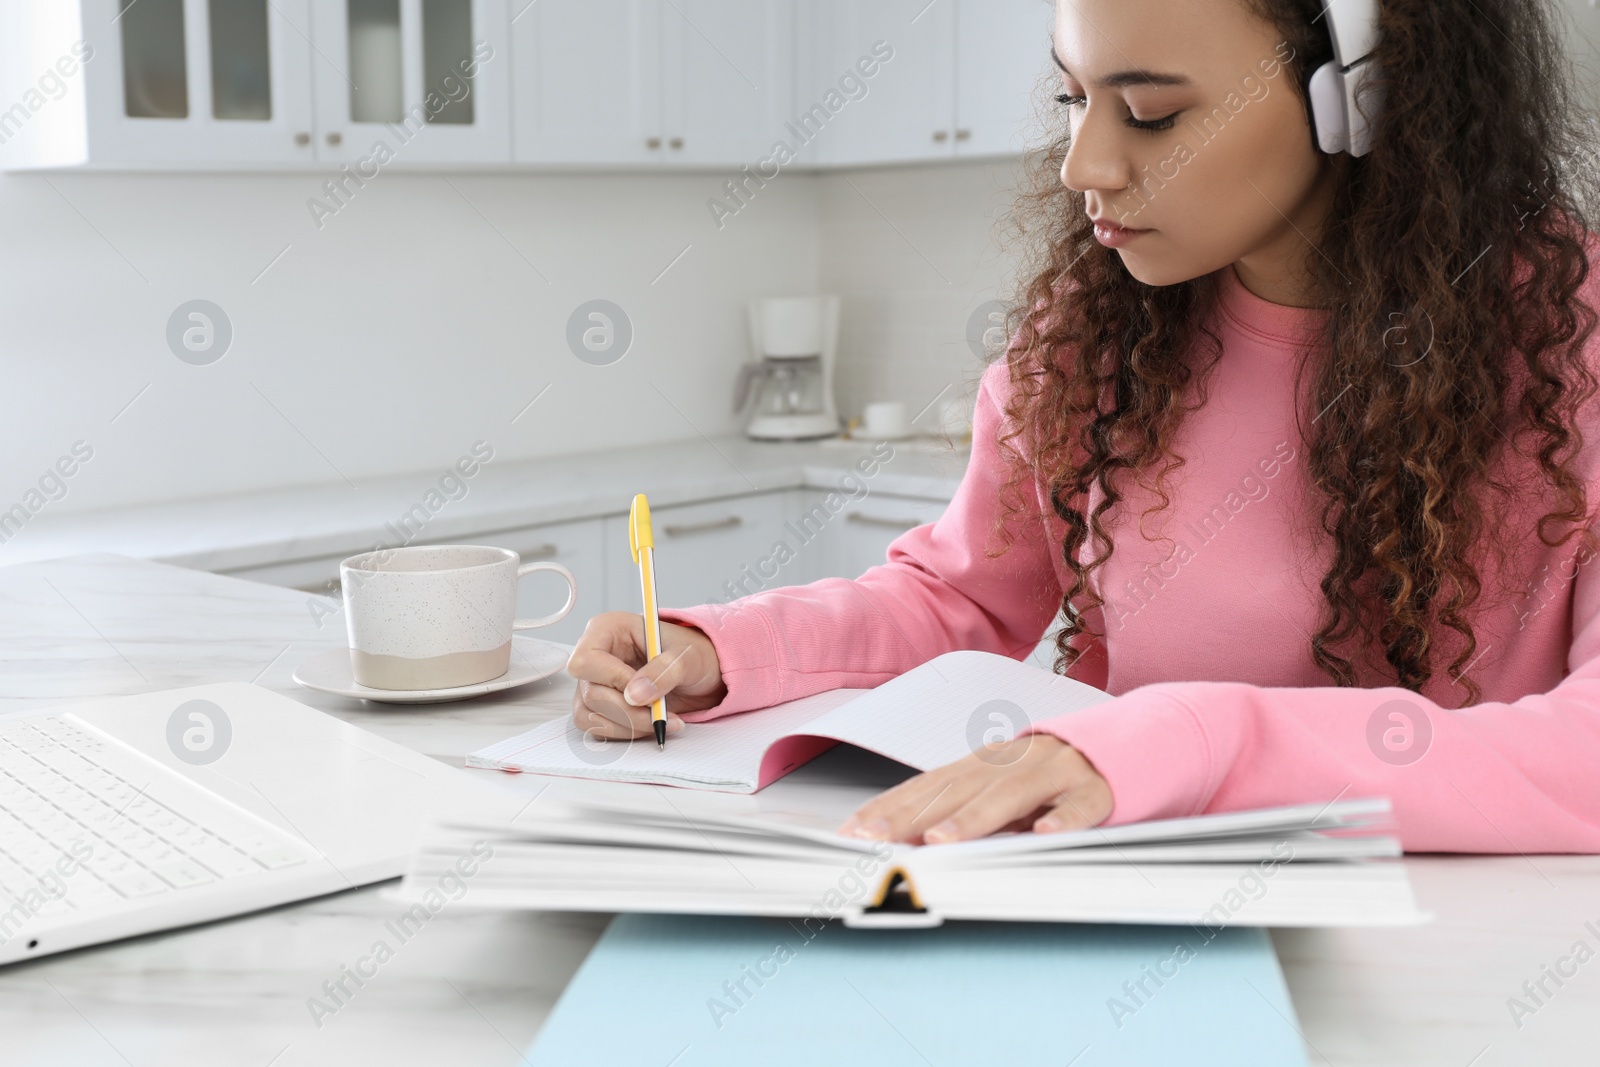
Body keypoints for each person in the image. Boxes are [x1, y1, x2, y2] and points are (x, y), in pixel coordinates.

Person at [567, 0, 1600, 853]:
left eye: (1148, 112)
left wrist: (1199, 736)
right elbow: (958, 598)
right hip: (1122, 896)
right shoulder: (1091, 338)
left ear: (1360, 100)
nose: (1083, 164)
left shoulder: (1569, 338)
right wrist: (715, 649)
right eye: (1073, 98)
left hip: (1464, 943)